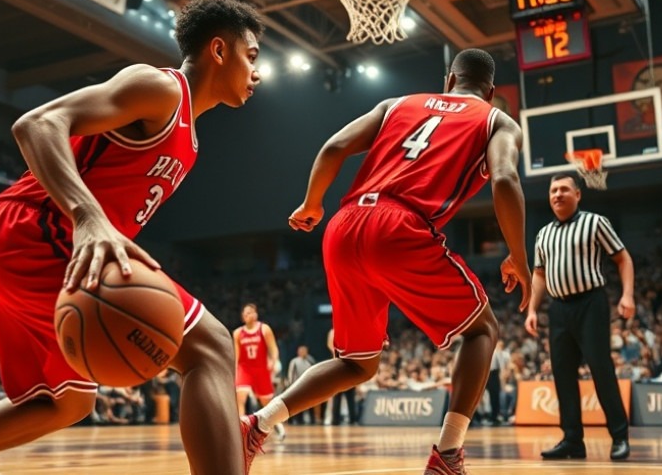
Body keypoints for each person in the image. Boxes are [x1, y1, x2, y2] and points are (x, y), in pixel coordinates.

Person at [0, 0, 264, 475]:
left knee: (66, 402)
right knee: (212, 343)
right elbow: (37, 123)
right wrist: (88, 217)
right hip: (35, 230)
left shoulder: (189, 138)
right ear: (219, 50)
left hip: (26, 241)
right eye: (250, 57)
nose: (257, 73)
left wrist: (95, 224)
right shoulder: (161, 88)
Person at [241, 48, 531, 474]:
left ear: (449, 80)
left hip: (342, 226)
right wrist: (518, 256)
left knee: (357, 362)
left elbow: (335, 145)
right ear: (489, 92)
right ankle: (448, 455)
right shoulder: (496, 121)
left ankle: (257, 424)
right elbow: (505, 179)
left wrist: (311, 203)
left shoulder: (397, 103)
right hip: (400, 227)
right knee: (482, 330)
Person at [524, 173, 634, 461]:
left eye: (563, 189)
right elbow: (539, 274)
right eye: (553, 191)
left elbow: (623, 258)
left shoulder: (595, 222)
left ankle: (619, 436)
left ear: (577, 194)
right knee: (562, 375)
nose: (557, 194)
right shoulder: (543, 234)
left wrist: (628, 295)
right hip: (558, 309)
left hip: (591, 303)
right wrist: (532, 309)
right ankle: (572, 440)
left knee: (601, 369)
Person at [233, 303, 285, 440]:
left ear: (255, 314)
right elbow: (236, 355)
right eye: (245, 313)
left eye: (250, 312)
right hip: (245, 369)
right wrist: (234, 371)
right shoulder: (238, 333)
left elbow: (273, 348)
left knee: (266, 402)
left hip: (261, 369)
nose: (247, 315)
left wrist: (273, 361)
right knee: (240, 398)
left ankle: (279, 426)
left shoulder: (264, 329)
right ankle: (242, 431)